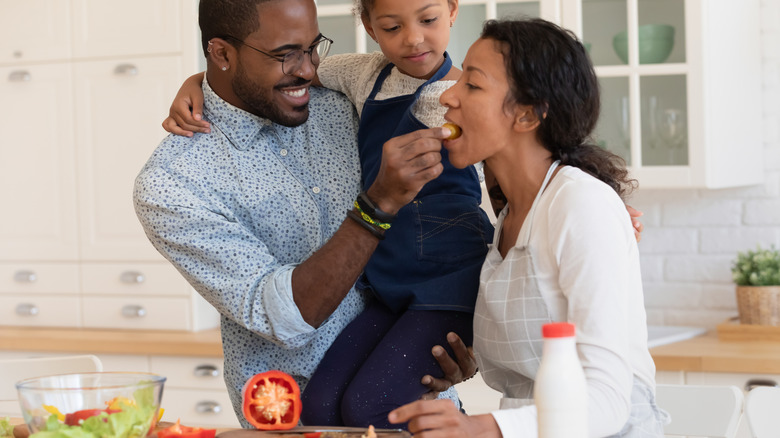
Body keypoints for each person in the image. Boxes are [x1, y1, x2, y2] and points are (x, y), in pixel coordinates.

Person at [133, 0, 477, 428]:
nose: (309, 70)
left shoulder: (344, 100)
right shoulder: (175, 181)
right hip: (291, 417)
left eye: (314, 48)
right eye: (285, 55)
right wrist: (377, 205)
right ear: (221, 53)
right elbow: (283, 318)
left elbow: (440, 79)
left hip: (420, 392)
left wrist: (464, 344)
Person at [387, 18, 667, 437]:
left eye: (473, 86)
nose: (448, 95)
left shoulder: (580, 205)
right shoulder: (509, 217)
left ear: (528, 114)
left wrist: (484, 428)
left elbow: (608, 400)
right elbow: (533, 353)